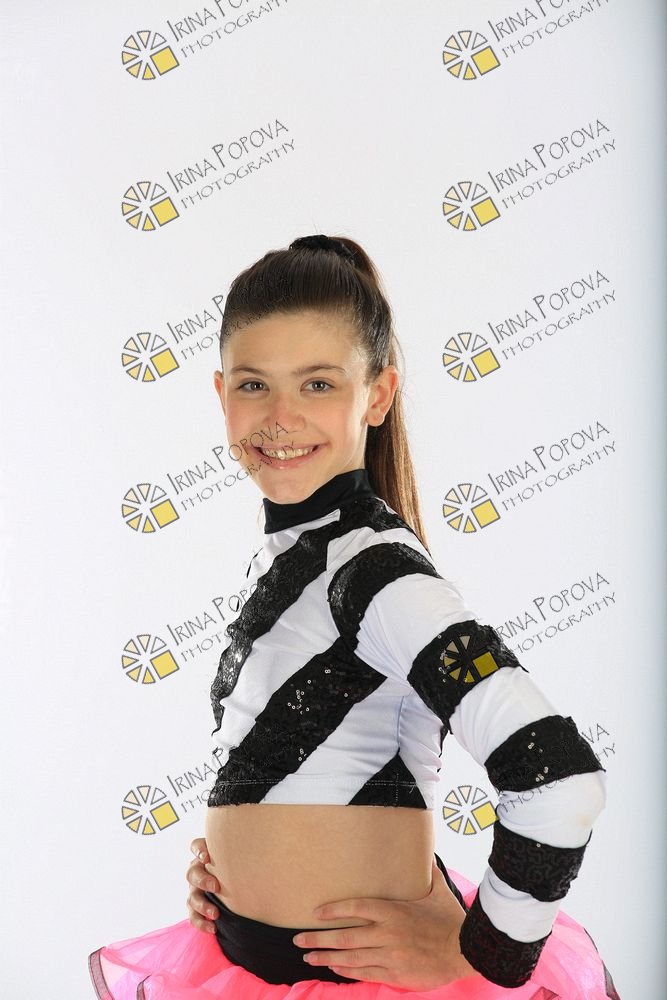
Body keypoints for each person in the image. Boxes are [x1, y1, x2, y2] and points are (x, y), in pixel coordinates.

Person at [88, 234, 621, 1000]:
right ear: (219, 394)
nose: (279, 417)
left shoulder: (378, 574)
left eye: (317, 384)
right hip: (244, 970)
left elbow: (558, 775)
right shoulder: (287, 556)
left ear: (376, 394)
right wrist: (232, 869)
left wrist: (485, 952)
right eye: (253, 385)